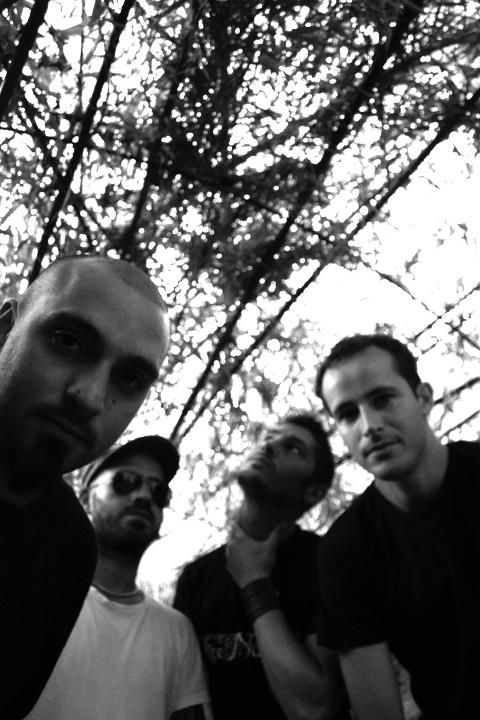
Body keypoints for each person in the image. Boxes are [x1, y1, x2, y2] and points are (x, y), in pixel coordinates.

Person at [0, 254, 170, 719]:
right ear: (5, 330)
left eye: (129, 379)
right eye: (68, 341)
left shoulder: (68, 547)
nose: (92, 397)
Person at [315, 333, 480, 720]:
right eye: (348, 414)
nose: (369, 426)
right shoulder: (345, 551)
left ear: (423, 398)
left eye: (382, 399)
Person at [174, 413, 348, 720]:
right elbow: (185, 702)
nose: (268, 446)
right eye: (267, 438)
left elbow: (315, 708)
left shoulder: (328, 563)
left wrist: (254, 582)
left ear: (314, 492)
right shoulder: (196, 578)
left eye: (293, 448)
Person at [26, 435, 212, 720]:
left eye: (158, 491)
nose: (144, 496)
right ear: (86, 498)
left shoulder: (177, 631)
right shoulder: (29, 598)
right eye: (125, 482)